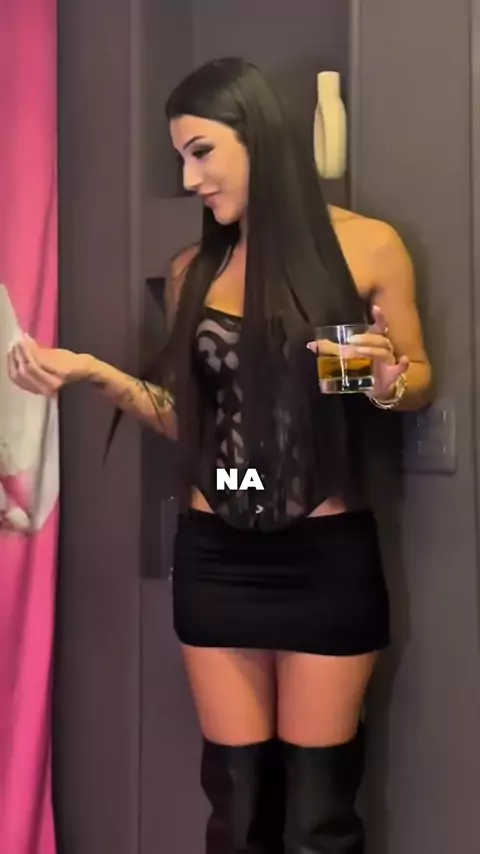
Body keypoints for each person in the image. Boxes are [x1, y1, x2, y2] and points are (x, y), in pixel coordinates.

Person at [7, 57, 433, 853]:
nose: (189, 178)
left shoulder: (368, 247)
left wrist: (384, 379)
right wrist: (94, 372)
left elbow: (412, 383)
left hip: (326, 558)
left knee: (320, 820)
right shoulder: (193, 271)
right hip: (217, 557)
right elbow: (190, 421)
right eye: (180, 157)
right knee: (236, 818)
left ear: (258, 136)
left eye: (201, 151)